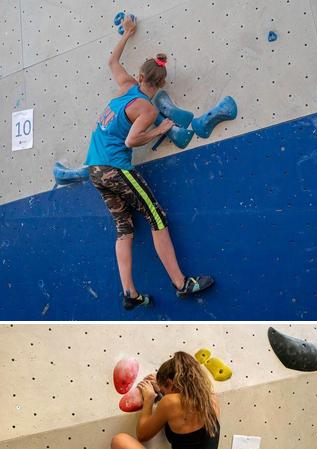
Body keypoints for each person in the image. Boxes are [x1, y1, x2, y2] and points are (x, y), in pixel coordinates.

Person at [86, 14, 213, 311]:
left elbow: (113, 63)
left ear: (140, 76)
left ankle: (130, 293)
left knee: (124, 227)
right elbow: (131, 141)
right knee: (157, 218)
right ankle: (181, 284)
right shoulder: (145, 107)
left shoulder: (126, 86)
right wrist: (158, 128)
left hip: (94, 169)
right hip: (116, 168)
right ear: (162, 83)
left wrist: (127, 34)